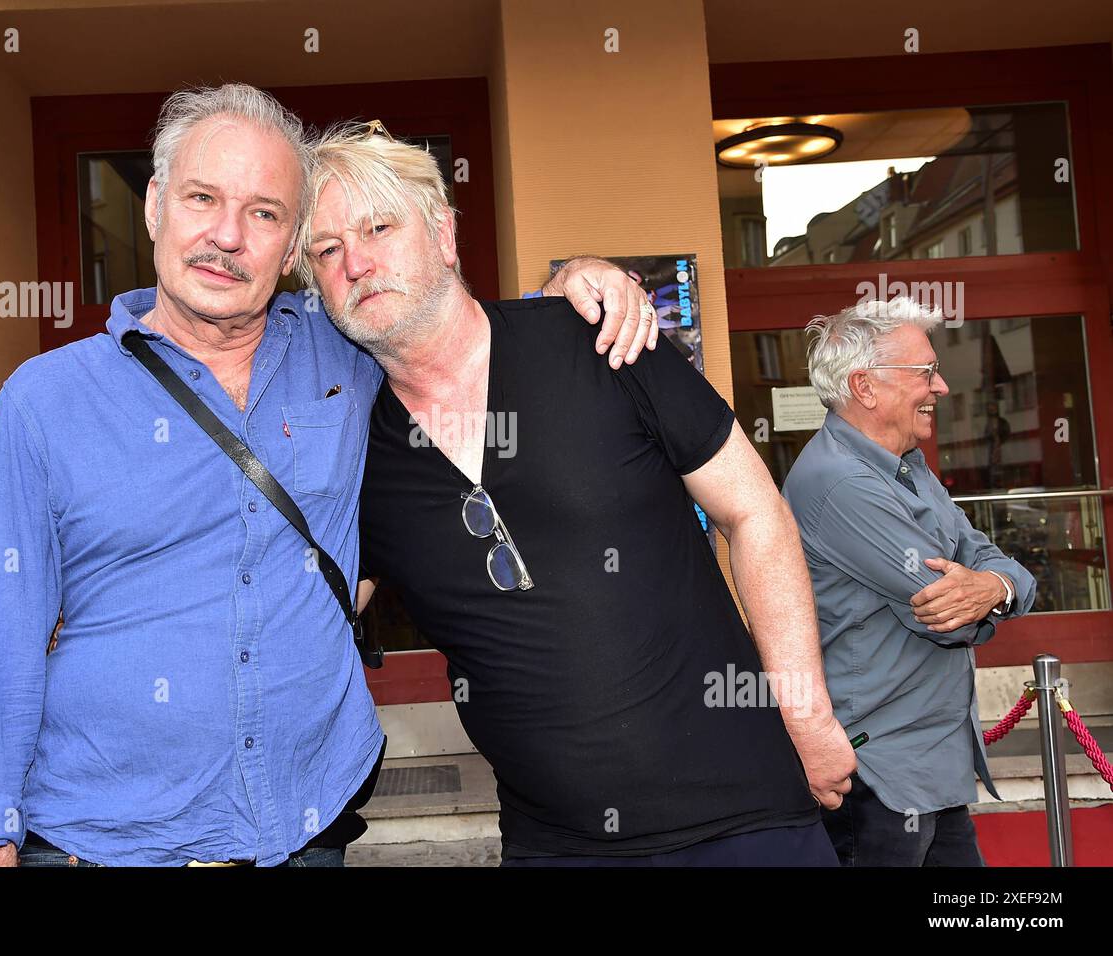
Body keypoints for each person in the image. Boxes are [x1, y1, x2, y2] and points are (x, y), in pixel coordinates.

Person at [0, 84, 654, 868]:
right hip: (102, 841)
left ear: (293, 247)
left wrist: (576, 284)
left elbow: (453, 330)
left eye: (266, 213)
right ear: (154, 208)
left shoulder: (346, 351)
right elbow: (2, 634)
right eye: (203, 198)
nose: (227, 237)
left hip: (304, 832)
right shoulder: (44, 400)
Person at [300, 124, 855, 866]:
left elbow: (753, 511)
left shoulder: (597, 340)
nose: (357, 263)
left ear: (443, 234)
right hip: (553, 846)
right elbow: (310, 610)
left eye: (377, 227)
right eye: (327, 251)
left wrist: (806, 710)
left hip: (745, 819)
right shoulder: (353, 447)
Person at [781, 297, 1036, 867]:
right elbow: (945, 616)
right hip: (877, 772)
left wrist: (995, 586)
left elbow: (988, 562)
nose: (941, 387)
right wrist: (992, 588)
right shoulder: (842, 483)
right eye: (925, 372)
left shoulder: (906, 466)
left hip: (924, 760)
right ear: (865, 387)